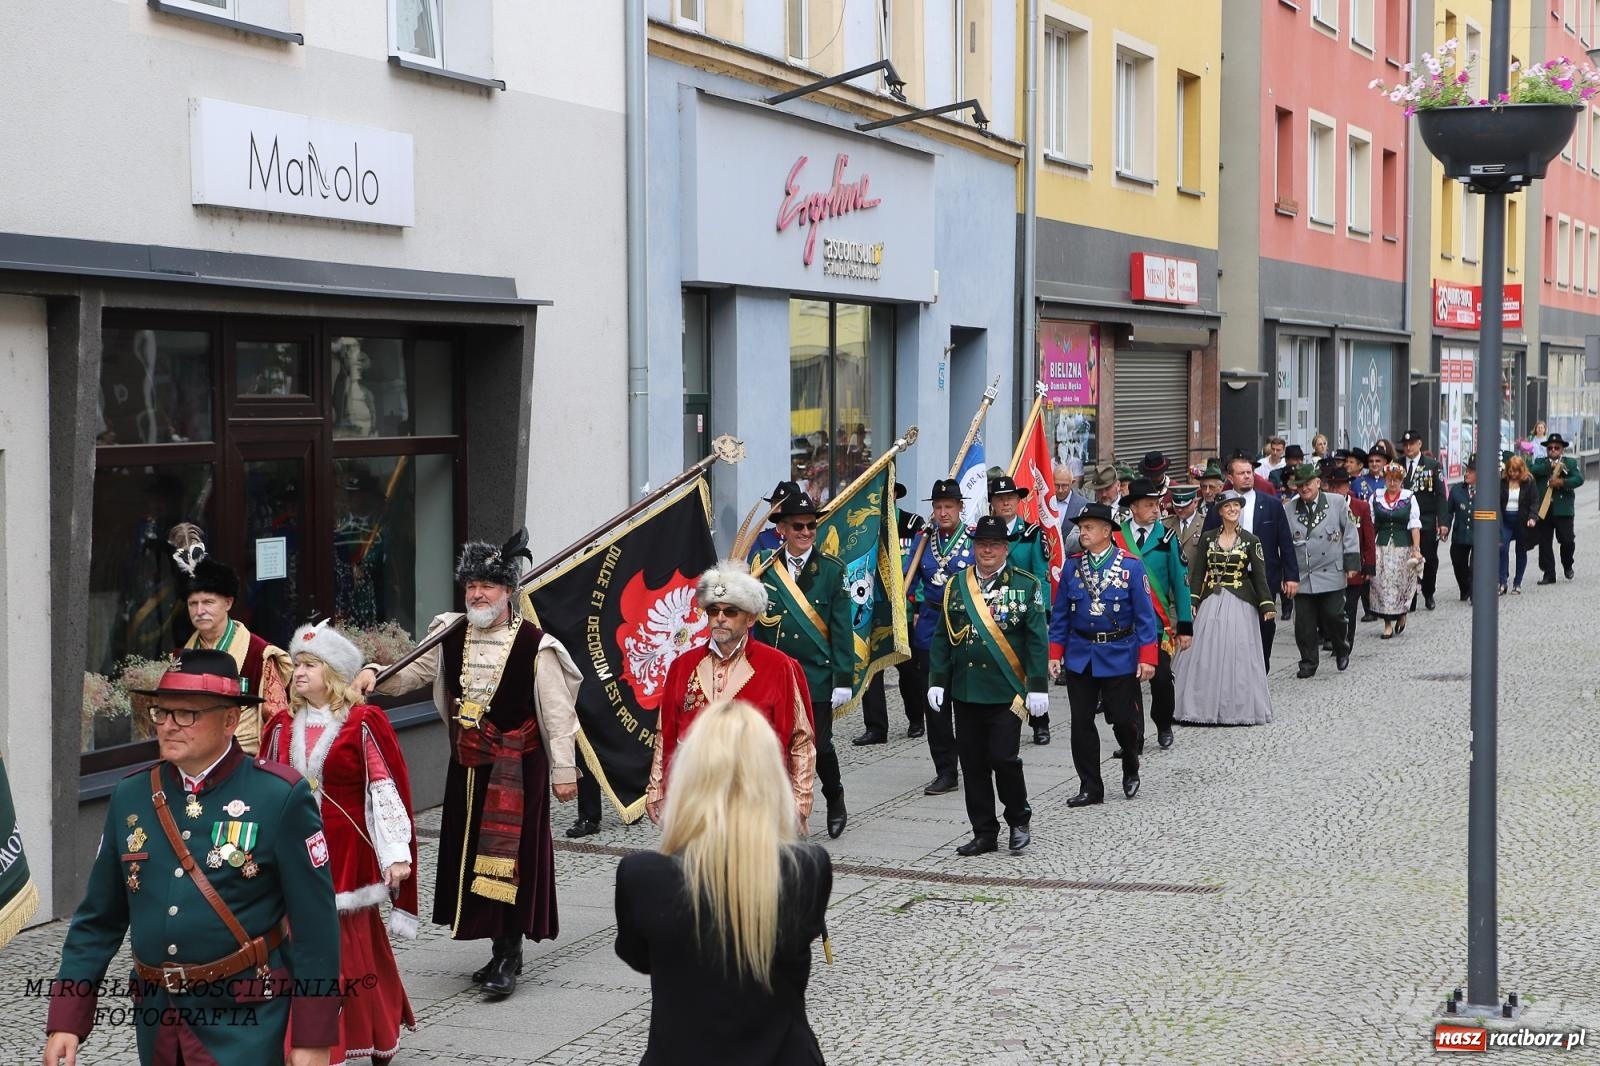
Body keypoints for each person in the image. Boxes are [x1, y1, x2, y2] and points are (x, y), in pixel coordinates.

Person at [44, 649, 341, 1066]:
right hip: (159, 1019)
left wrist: (313, 1036)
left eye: (187, 714)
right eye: (162, 712)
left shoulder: (279, 796)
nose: (168, 725)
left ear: (230, 720)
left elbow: (316, 929)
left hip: (246, 1019)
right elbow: (97, 920)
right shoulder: (131, 795)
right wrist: (67, 1019)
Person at [355, 531, 581, 1000]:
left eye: (488, 586)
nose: (478, 594)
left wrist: (564, 772)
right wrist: (375, 676)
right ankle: (496, 944)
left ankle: (509, 953)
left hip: (520, 767)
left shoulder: (537, 645)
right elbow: (414, 673)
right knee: (470, 854)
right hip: (470, 764)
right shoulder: (449, 631)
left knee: (511, 859)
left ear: (508, 591)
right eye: (471, 586)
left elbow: (559, 715)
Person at [615, 700, 831, 1066]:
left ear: (689, 777)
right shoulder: (808, 869)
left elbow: (639, 956)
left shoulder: (642, 877)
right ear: (770, 779)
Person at [262, 622, 418, 1066]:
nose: (300, 673)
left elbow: (384, 789)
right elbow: (265, 788)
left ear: (332, 672)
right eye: (297, 665)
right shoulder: (280, 726)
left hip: (347, 851)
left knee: (352, 950)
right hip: (294, 853)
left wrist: (396, 856)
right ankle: (301, 1039)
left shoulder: (363, 722)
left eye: (310, 665)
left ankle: (367, 1030)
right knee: (293, 943)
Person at [647, 559, 815, 827]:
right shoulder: (682, 666)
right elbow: (665, 732)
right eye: (714, 610)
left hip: (757, 800)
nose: (720, 618)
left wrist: (799, 802)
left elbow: (801, 739)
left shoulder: (779, 666)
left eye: (731, 611)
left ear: (750, 618)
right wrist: (657, 789)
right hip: (695, 800)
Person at [926, 516, 1048, 855]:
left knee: (1003, 757)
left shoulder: (1026, 585)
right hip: (967, 689)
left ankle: (1018, 817)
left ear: (1005, 548)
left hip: (1006, 690)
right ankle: (984, 831)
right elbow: (941, 637)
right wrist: (937, 681)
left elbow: (1037, 640)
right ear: (974, 547)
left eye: (994, 544)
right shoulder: (956, 584)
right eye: (982, 544)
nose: (988, 550)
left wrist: (1037, 687)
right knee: (974, 763)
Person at [752, 490, 853, 839]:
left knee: (819, 745)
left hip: (817, 674)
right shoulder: (764, 567)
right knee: (777, 745)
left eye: (811, 526)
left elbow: (842, 628)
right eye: (798, 526)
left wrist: (844, 677)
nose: (806, 532)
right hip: (776, 676)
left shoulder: (831, 571)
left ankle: (835, 796)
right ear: (782, 528)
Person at [1049, 503, 1160, 806]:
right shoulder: (1072, 566)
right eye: (1081, 527)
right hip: (1081, 654)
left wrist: (1148, 657)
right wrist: (1055, 652)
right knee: (1081, 721)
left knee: (1123, 720)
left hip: (1119, 653)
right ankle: (1090, 786)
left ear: (1106, 531)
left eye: (1088, 527)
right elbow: (1060, 615)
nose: (1082, 532)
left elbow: (1145, 617)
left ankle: (1130, 764)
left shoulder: (1131, 566)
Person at [167, 527, 291, 755]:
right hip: (192, 760)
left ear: (228, 603)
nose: (200, 611)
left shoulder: (259, 654)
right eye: (193, 604)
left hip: (245, 761)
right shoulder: (180, 657)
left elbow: (279, 722)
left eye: (208, 602)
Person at [1173, 491, 1275, 726]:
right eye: (1227, 506)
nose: (1232, 510)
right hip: (1211, 599)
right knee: (1204, 654)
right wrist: (1193, 601)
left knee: (1237, 654)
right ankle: (1199, 707)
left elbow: (1259, 576)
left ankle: (1235, 709)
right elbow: (1198, 573)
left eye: (1236, 506)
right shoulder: (1208, 538)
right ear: (1219, 511)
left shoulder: (1251, 540)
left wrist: (1266, 604)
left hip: (1240, 601)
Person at [906, 479, 975, 796]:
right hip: (931, 626)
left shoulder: (975, 540)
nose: (943, 512)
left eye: (949, 506)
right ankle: (945, 769)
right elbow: (907, 580)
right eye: (937, 507)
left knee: (966, 699)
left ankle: (974, 761)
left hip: (966, 623)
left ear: (960, 507)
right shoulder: (924, 539)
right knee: (934, 701)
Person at [1204, 456, 1300, 671]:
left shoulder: (1271, 505)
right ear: (1230, 477)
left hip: (1263, 577)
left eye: (1250, 473)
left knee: (1265, 623)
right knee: (1232, 626)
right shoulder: (1219, 506)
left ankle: (1261, 666)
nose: (1247, 477)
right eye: (1241, 473)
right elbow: (1207, 541)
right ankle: (1235, 668)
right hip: (1229, 578)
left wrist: (1291, 576)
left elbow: (1285, 542)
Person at [1116, 479, 1192, 750]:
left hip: (1158, 627)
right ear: (1133, 508)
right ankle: (1134, 735)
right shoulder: (1117, 537)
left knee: (1160, 679)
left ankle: (1163, 722)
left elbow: (1181, 583)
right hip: (1123, 624)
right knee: (1128, 682)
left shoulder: (1167, 538)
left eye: (1157, 504)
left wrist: (1184, 626)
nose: (1156, 510)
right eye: (1148, 505)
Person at [857, 483, 926, 746]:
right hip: (871, 608)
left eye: (888, 493)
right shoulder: (864, 525)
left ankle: (916, 719)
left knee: (909, 669)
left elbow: (920, 567)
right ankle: (876, 728)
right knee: (871, 670)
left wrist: (917, 606)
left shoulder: (912, 523)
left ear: (896, 495)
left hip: (902, 609)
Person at [987, 474, 1052, 744]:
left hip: (1025, 607)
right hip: (992, 609)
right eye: (1000, 499)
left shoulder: (1032, 533)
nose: (1006, 503)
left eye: (1010, 498)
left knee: (1032, 662)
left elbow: (1041, 574)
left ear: (1018, 501)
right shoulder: (984, 532)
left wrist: (1044, 611)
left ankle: (1040, 722)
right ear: (992, 503)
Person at [1282, 464, 1361, 677]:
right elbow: (1285, 544)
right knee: (1304, 625)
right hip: (1304, 574)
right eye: (1300, 485)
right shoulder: (1289, 509)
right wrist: (1286, 574)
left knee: (1334, 614)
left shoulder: (1336, 503)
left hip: (1331, 570)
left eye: (1308, 483)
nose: (1304, 488)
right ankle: (1308, 662)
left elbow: (1350, 533)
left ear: (1318, 482)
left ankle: (1341, 647)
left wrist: (1352, 563)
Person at [1323, 461, 1376, 655]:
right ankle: (1334, 639)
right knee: (1332, 610)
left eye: (1341, 485)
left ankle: (1346, 644)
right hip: (1329, 568)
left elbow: (1369, 539)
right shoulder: (1324, 506)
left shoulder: (1360, 507)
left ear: (1347, 486)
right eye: (1333, 486)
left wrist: (1370, 566)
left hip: (1354, 567)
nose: (1337, 490)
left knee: (1350, 609)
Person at [1369, 463, 1424, 638]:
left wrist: (1416, 549)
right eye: (1389, 479)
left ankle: (1402, 613)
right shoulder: (1376, 497)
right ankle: (1387, 624)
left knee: (1401, 583)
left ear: (1402, 481)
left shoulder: (1409, 498)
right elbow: (1371, 525)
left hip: (1403, 547)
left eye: (1396, 480)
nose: (1392, 483)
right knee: (1381, 584)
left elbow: (1414, 526)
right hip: (1381, 547)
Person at [1399, 429, 1446, 611]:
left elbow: (1441, 495)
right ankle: (1410, 596)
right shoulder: (1398, 465)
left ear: (1420, 444)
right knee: (1406, 558)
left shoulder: (1432, 465)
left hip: (1425, 519)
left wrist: (1443, 522)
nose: (1408, 447)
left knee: (1429, 559)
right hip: (1403, 520)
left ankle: (1428, 592)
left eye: (1412, 444)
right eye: (1405, 445)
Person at [1532, 432, 1585, 583]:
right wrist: (1548, 466)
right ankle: (1549, 573)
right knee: (1544, 543)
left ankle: (1568, 564)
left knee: (1567, 541)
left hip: (1563, 509)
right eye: (1550, 448)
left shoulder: (1570, 463)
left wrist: (1562, 482)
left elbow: (1579, 479)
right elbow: (1531, 471)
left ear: (1562, 449)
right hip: (1544, 508)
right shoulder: (1540, 462)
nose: (1553, 450)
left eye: (1557, 447)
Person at [1442, 455, 1479, 602]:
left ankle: (1475, 593)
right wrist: (1445, 526)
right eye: (1467, 470)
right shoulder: (1457, 489)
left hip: (1478, 535)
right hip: (1461, 533)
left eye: (1471, 471)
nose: (1467, 473)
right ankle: (1465, 589)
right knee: (1458, 562)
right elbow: (1448, 511)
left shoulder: (1489, 490)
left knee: (1476, 566)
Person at [1501, 453, 1538, 594]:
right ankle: (1503, 581)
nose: (1513, 473)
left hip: (1522, 520)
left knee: (1520, 551)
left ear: (1521, 470)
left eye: (1516, 471)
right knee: (1502, 548)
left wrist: (1532, 517)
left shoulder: (1528, 481)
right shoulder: (1503, 481)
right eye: (1510, 470)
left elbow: (1534, 501)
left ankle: (1518, 582)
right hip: (1506, 520)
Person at [744, 481, 801, 563]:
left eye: (782, 505)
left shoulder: (805, 539)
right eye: (774, 504)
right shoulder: (761, 540)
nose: (777, 509)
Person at [1167, 484, 1206, 569]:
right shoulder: (1165, 524)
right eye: (1177, 506)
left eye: (1184, 506)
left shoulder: (1205, 524)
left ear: (1195, 503)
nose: (1180, 510)